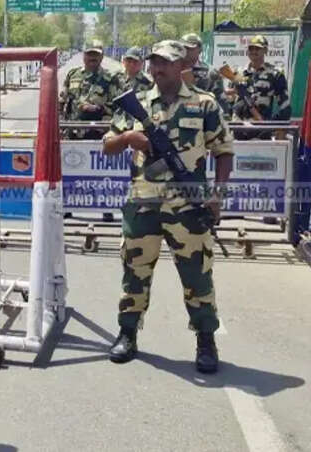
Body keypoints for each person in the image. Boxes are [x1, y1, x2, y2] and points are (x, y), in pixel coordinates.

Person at [102, 40, 234, 374]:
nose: (157, 69)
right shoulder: (137, 102)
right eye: (154, 63)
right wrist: (128, 139)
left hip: (188, 206)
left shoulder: (204, 104)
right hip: (142, 204)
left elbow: (224, 151)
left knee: (197, 275)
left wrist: (217, 195)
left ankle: (206, 340)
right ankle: (127, 333)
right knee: (135, 271)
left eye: (165, 63)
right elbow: (108, 145)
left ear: (180, 66)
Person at [61, 39, 121, 139]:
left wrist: (98, 108)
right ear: (84, 56)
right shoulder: (72, 74)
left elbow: (117, 107)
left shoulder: (111, 78)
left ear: (102, 56)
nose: (92, 58)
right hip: (73, 131)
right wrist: (60, 125)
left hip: (100, 133)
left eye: (96, 55)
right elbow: (62, 101)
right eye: (89, 54)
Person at [230, 35, 290, 124]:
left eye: (257, 49)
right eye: (251, 49)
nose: (253, 51)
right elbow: (230, 101)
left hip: (261, 125)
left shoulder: (275, 74)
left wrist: (275, 125)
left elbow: (285, 105)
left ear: (265, 50)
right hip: (238, 126)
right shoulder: (238, 73)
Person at [180, 33, 230, 118]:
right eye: (183, 48)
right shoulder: (172, 70)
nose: (186, 51)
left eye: (190, 48)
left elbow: (221, 104)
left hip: (203, 121)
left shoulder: (210, 74)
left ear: (199, 50)